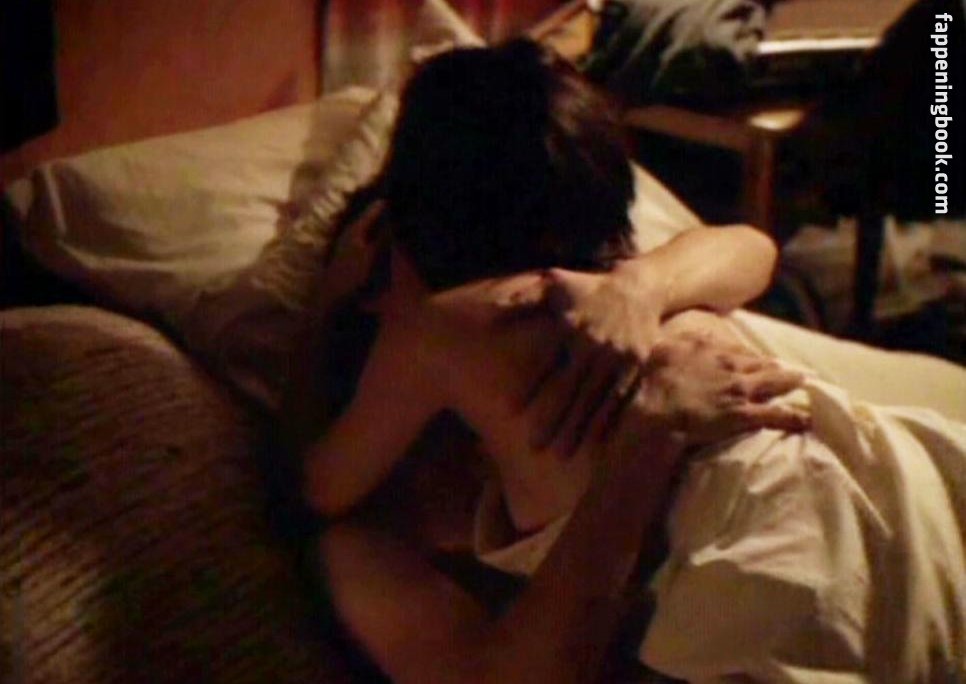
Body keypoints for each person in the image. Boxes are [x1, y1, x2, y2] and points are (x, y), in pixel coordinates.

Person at [293, 41, 966, 683]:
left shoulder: (460, 327)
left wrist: (641, 285)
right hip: (891, 485)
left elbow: (313, 483)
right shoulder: (550, 317)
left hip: (797, 533)